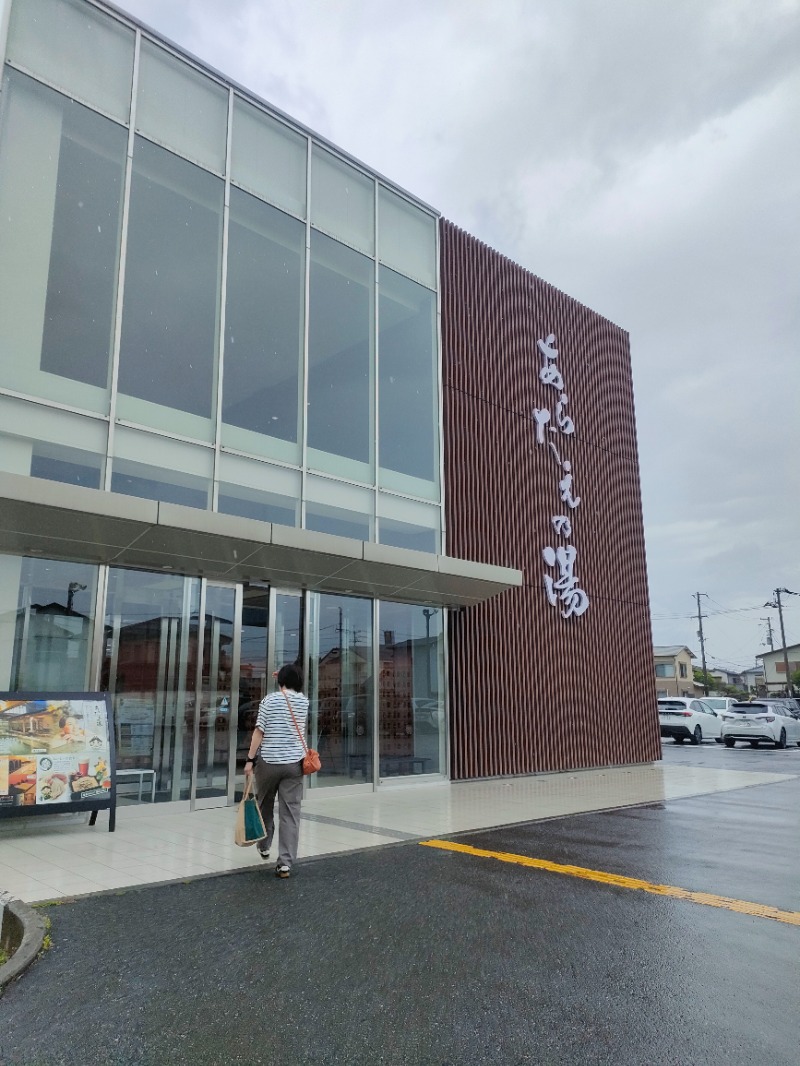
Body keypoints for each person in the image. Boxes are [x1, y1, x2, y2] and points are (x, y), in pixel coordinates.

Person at [244, 663, 310, 879]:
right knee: (290, 812)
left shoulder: (269, 700)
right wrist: (284, 677)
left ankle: (264, 845)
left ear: (279, 680)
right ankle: (285, 863)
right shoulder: (303, 702)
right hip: (295, 764)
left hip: (270, 762)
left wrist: (250, 760)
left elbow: (259, 732)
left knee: (264, 803)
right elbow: (292, 692)